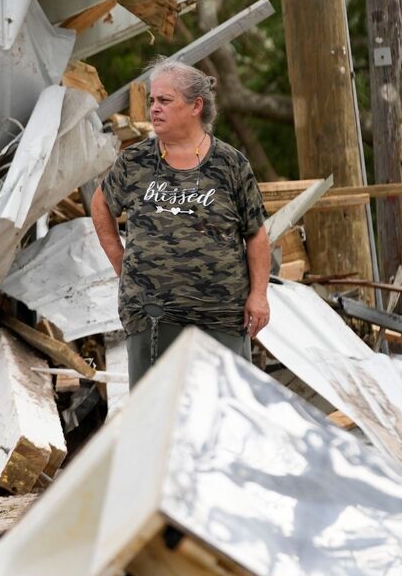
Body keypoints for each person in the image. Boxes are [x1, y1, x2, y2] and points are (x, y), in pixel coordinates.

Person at [90, 59, 270, 386]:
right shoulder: (135, 161)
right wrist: (122, 261)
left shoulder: (231, 164)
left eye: (165, 101)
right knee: (156, 420)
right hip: (152, 318)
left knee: (223, 416)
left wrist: (259, 294)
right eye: (152, 101)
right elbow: (101, 203)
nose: (154, 109)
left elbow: (256, 233)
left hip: (220, 317)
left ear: (195, 106)